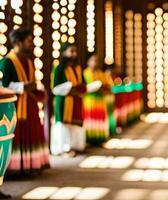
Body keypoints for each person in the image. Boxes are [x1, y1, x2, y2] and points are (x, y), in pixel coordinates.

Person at [0, 28, 49, 176]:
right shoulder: (7, 62)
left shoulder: (28, 60)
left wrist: (36, 89)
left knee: (31, 135)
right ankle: (15, 168)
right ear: (17, 42)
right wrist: (23, 86)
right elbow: (3, 85)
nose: (31, 44)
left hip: (30, 105)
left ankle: (29, 165)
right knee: (17, 136)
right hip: (14, 105)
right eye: (28, 41)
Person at [51, 43, 101, 156]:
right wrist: (70, 88)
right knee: (64, 124)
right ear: (64, 53)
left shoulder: (78, 68)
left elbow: (82, 83)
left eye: (75, 51)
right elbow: (55, 88)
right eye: (71, 51)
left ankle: (76, 145)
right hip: (64, 100)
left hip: (76, 100)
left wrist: (81, 88)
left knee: (76, 123)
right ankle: (63, 148)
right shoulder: (59, 68)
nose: (74, 54)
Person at [83, 52, 109, 145]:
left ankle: (99, 139)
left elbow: (107, 86)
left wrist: (103, 88)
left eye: (96, 60)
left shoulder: (101, 73)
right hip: (89, 100)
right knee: (90, 119)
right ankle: (89, 139)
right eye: (93, 60)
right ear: (88, 62)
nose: (95, 62)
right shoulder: (85, 73)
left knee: (99, 120)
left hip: (99, 100)